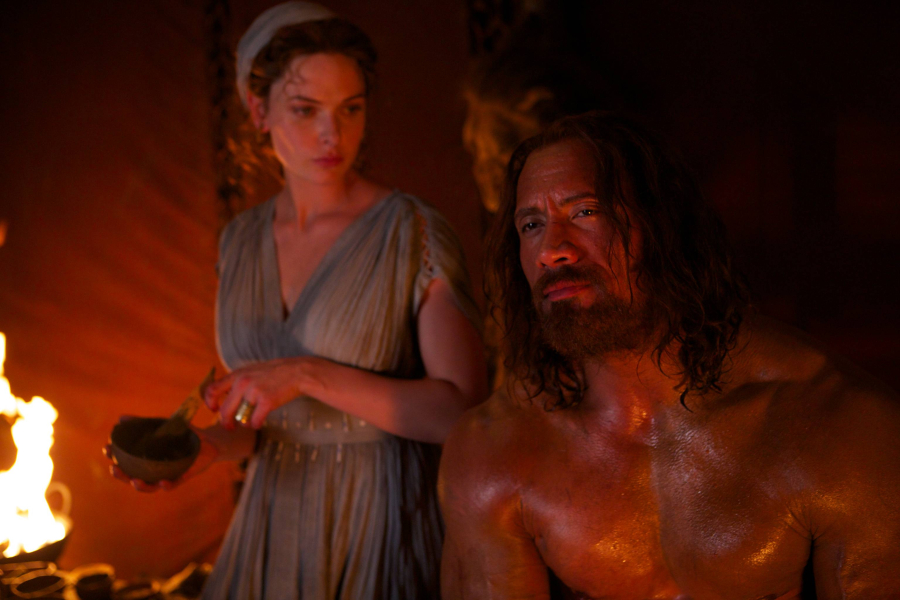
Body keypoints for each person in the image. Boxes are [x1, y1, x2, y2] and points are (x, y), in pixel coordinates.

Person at [108, 2, 487, 598]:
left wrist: (306, 373)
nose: (333, 135)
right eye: (306, 110)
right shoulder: (240, 240)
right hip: (269, 532)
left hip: (379, 526)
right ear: (258, 110)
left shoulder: (412, 231)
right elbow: (262, 423)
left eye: (350, 108)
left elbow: (461, 415)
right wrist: (206, 447)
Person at [439, 111, 900, 599]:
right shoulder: (496, 451)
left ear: (663, 224)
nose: (551, 250)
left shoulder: (837, 424)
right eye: (531, 224)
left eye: (585, 212)